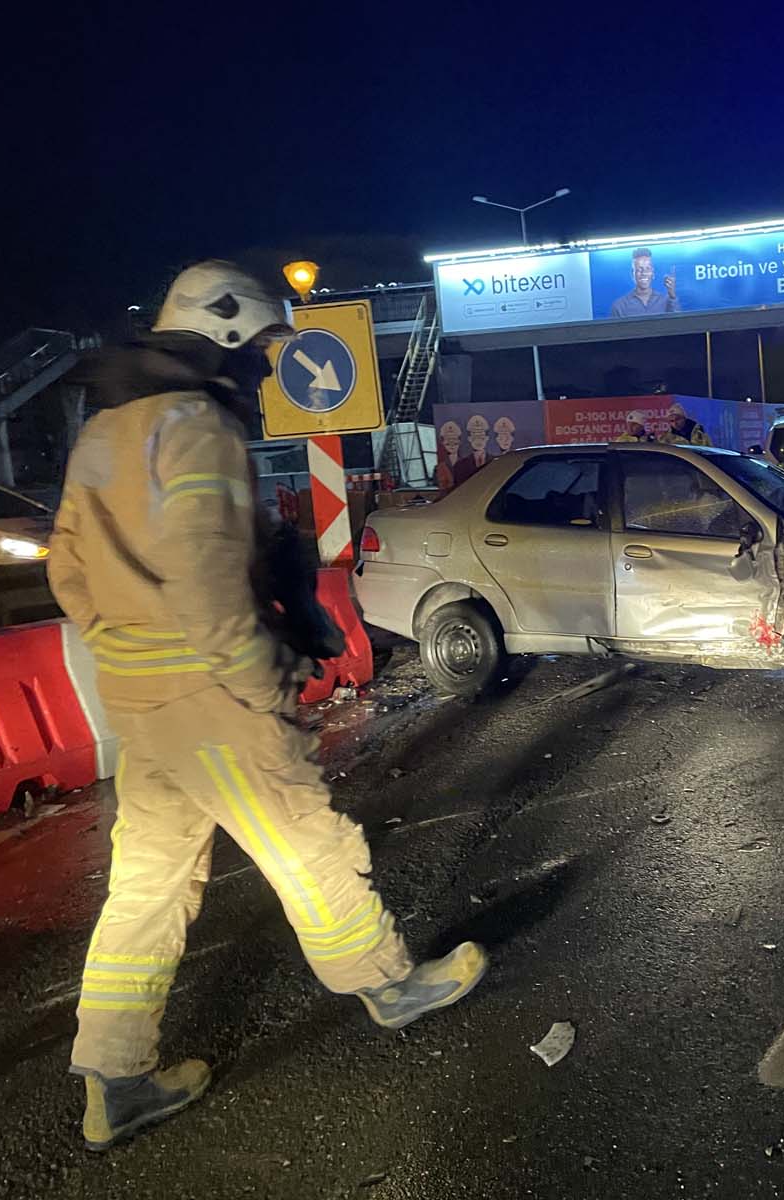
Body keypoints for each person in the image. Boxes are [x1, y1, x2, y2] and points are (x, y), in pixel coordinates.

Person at [48, 262, 487, 1152]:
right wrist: (264, 679)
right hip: (212, 697)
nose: (262, 368)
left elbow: (65, 567)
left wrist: (130, 649)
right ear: (225, 336)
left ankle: (116, 1078)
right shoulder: (195, 427)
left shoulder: (105, 429)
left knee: (148, 883)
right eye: (258, 349)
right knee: (306, 840)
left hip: (140, 702)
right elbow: (207, 586)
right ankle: (389, 983)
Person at [609, 248, 680, 318]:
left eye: (648, 269)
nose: (644, 273)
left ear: (653, 273)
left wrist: (672, 296)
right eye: (639, 269)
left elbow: (677, 322)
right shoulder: (620, 306)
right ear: (632, 274)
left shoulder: (665, 301)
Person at [453, 413, 493, 485]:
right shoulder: (460, 466)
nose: (478, 441)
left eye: (481, 436)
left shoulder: (495, 462)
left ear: (487, 438)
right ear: (469, 438)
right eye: (475, 437)